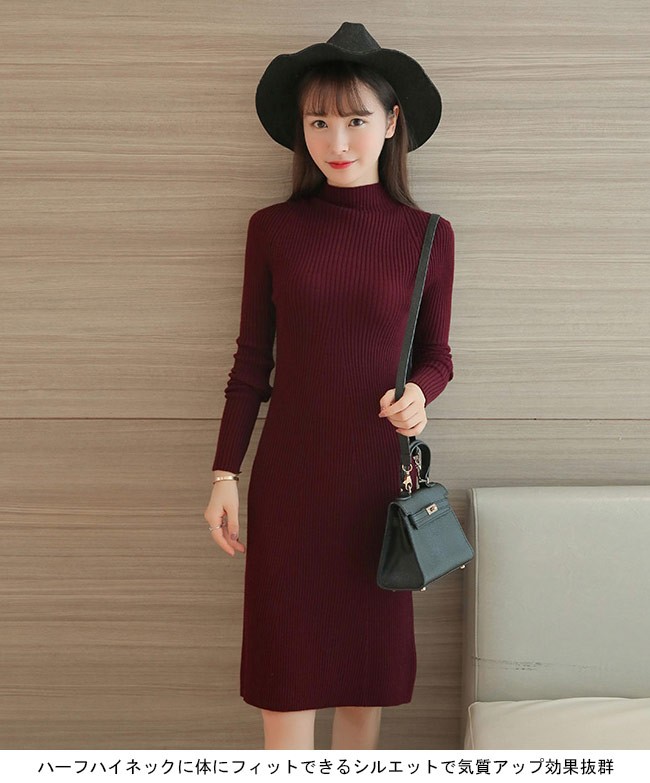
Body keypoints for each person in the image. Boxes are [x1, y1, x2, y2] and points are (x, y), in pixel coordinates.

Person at [203, 22, 455, 750]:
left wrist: (419, 394)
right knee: (285, 673)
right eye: (318, 122)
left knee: (363, 677)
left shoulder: (429, 235)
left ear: (391, 123)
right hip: (291, 485)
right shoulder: (273, 229)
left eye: (355, 120)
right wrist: (224, 474)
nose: (336, 141)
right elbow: (252, 363)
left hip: (377, 486)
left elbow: (437, 355)